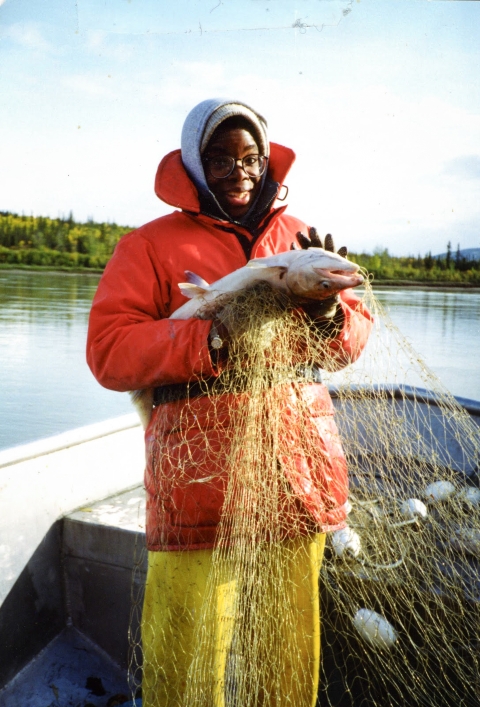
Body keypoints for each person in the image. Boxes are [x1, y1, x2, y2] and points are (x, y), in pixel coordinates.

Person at [86, 98, 373, 707]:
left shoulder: (300, 240)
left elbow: (353, 338)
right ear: (193, 165)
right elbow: (109, 351)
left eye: (249, 157)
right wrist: (210, 336)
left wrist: (327, 311)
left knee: (287, 661)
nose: (238, 170)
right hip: (198, 483)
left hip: (297, 476)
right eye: (218, 159)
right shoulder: (148, 246)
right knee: (184, 664)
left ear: (266, 161)